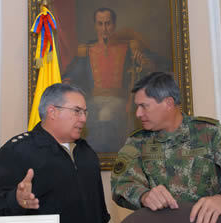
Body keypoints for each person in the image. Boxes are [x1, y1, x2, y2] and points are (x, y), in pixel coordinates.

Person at [111, 72, 221, 223]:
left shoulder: (209, 134)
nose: (138, 113)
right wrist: (143, 195)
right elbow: (121, 184)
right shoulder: (137, 142)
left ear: (168, 103)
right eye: (137, 107)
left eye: (144, 106)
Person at [0, 83, 113, 223]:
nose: (83, 118)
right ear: (52, 112)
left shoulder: (86, 153)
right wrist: (16, 200)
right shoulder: (18, 150)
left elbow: (100, 213)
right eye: (77, 111)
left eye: (85, 112)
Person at [63, 7, 168, 153]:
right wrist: (67, 82)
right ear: (95, 26)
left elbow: (159, 62)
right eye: (100, 24)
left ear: (114, 24)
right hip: (92, 102)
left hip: (119, 103)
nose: (104, 28)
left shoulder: (129, 47)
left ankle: (104, 153)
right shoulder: (86, 50)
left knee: (107, 113)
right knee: (88, 115)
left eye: (108, 23)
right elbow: (72, 73)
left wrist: (147, 63)